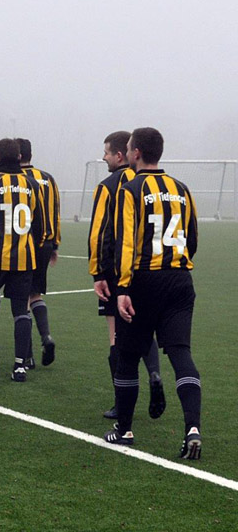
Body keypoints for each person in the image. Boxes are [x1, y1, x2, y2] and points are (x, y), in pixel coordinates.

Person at [104, 127, 201, 459]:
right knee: (181, 353)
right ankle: (192, 428)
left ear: (135, 153)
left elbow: (125, 242)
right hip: (180, 279)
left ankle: (124, 430)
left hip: (144, 281)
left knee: (128, 357)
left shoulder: (130, 189)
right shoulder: (182, 189)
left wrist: (123, 288)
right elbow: (192, 239)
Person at [88, 131, 165, 420]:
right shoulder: (148, 183)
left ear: (120, 155)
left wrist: (98, 272)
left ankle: (121, 403)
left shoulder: (108, 186)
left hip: (114, 270)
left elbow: (98, 233)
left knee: (116, 335)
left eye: (107, 153)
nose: (104, 157)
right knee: (144, 327)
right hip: (147, 267)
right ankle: (155, 373)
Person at [0, 138, 45, 382]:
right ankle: (20, 366)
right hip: (24, 258)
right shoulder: (33, 184)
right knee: (21, 311)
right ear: (20, 157)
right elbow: (41, 225)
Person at [17, 138, 59, 368]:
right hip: (46, 244)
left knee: (21, 298)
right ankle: (46, 336)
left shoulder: (14, 179)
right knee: (35, 294)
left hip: (22, 244)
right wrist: (55, 244)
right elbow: (55, 211)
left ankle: (27, 354)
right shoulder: (48, 178)